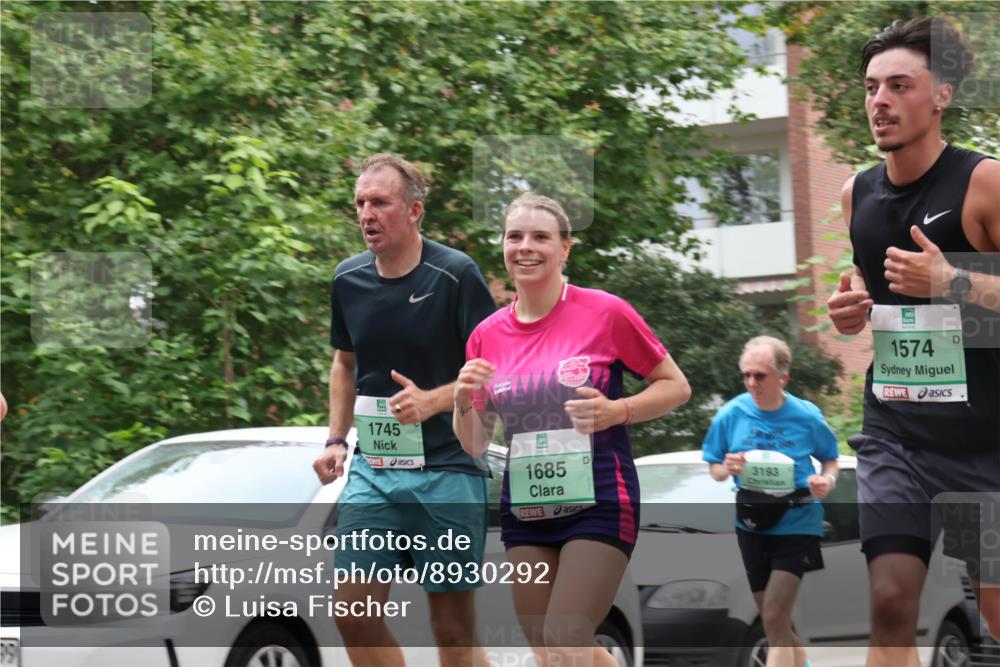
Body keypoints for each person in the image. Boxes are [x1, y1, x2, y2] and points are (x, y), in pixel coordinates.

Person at [825, 16, 1000, 663]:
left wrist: (953, 278)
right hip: (898, 428)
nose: (880, 101)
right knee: (890, 598)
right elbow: (874, 297)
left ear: (943, 95)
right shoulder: (857, 195)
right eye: (872, 87)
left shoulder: (984, 183)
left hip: (985, 438)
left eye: (899, 85)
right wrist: (851, 310)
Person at [453, 193, 691, 666]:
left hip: (600, 498)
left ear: (565, 249)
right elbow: (476, 442)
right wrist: (462, 401)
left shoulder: (605, 313)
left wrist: (616, 411)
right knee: (550, 652)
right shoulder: (486, 334)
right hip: (526, 509)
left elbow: (676, 387)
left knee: (566, 637)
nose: (526, 246)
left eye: (541, 237)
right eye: (514, 236)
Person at [312, 153, 497, 667]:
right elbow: (344, 363)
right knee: (352, 612)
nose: (367, 214)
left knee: (453, 632)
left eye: (380, 203)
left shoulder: (455, 274)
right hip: (374, 471)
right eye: (360, 203)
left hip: (449, 468)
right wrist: (335, 439)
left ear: (414, 210)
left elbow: (493, 370)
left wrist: (433, 400)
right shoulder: (347, 278)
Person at [702, 336, 839, 667]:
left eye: (759, 376)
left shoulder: (806, 416)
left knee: (776, 614)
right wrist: (727, 467)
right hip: (751, 522)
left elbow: (831, 459)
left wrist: (827, 481)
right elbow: (715, 469)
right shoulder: (731, 414)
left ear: (782, 377)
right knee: (772, 620)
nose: (752, 383)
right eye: (746, 375)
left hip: (798, 521)